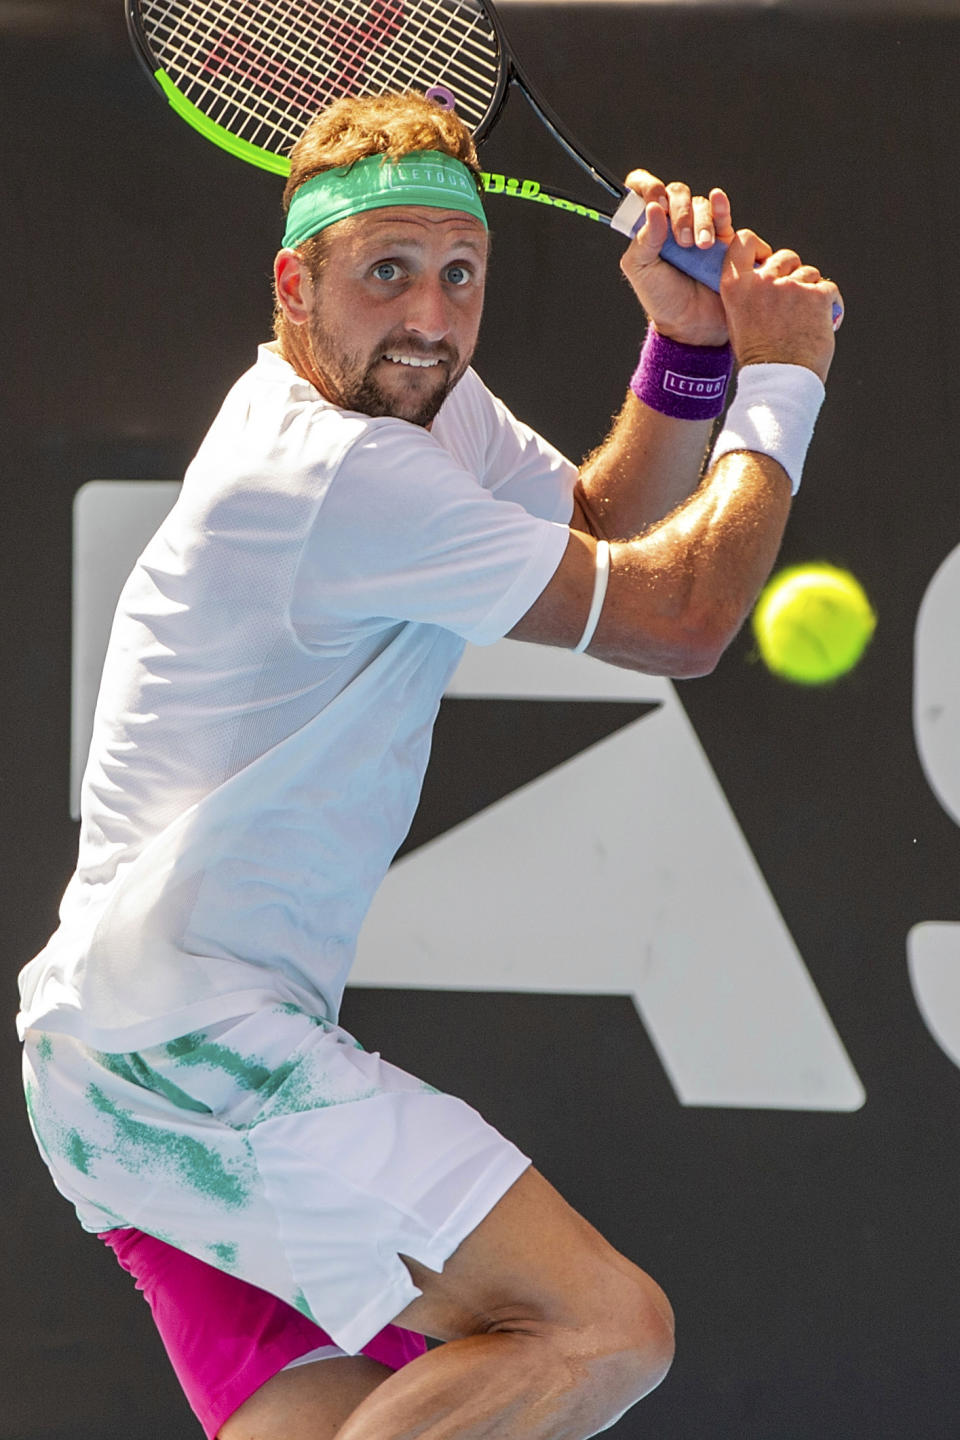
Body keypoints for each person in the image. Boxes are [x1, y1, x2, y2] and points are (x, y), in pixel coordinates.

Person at [18, 91, 839, 1440]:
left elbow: (590, 521)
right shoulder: (335, 472)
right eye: (387, 274)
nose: (432, 318)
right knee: (600, 1328)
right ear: (298, 280)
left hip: (116, 1063)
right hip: (191, 1047)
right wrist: (785, 381)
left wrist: (690, 352)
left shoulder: (404, 408)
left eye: (461, 277)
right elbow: (678, 619)